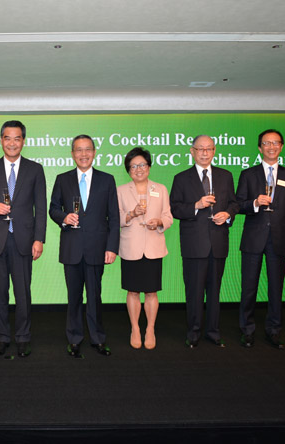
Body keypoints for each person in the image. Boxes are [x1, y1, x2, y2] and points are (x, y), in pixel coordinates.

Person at [0, 120, 46, 358]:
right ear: (1, 140)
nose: (12, 143)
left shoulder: (35, 169)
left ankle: (23, 337)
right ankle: (2, 337)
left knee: (23, 292)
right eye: (7, 138)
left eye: (17, 138)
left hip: (24, 240)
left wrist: (39, 239)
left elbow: (41, 208)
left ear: (23, 141)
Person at [49, 134, 119, 358]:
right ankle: (75, 339)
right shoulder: (62, 179)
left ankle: (98, 339)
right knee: (74, 298)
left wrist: (112, 247)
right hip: (72, 248)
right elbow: (52, 208)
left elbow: (114, 218)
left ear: (94, 152)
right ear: (72, 154)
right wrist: (64, 217)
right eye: (78, 150)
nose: (83, 154)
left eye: (87, 149)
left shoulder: (107, 180)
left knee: (95, 297)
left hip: (97, 248)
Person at [170, 135, 238, 348]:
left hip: (218, 242)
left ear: (214, 151)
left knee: (215, 291)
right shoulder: (181, 178)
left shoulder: (226, 176)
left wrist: (227, 214)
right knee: (194, 292)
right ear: (192, 151)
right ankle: (193, 332)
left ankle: (214, 331)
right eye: (200, 149)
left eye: (209, 149)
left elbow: (234, 204)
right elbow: (175, 209)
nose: (204, 153)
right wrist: (196, 205)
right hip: (194, 245)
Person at [236, 129, 285, 350]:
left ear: (281, 147)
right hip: (254, 238)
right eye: (266, 143)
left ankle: (274, 330)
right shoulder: (248, 174)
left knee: (276, 288)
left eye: (275, 143)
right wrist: (254, 202)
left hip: (280, 240)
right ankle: (247, 330)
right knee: (248, 288)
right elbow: (238, 204)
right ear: (259, 147)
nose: (271, 147)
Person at [116, 147, 173, 350]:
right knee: (132, 291)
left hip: (153, 247)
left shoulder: (161, 188)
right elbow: (116, 219)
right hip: (131, 247)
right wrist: (131, 214)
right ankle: (135, 328)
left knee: (151, 292)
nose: (138, 169)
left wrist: (159, 222)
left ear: (149, 167)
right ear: (128, 170)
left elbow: (168, 216)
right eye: (133, 166)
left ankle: (149, 328)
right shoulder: (121, 191)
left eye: (142, 165)